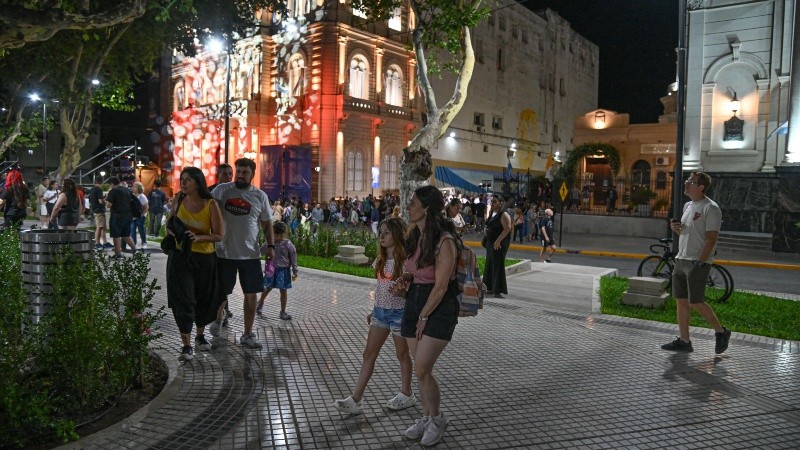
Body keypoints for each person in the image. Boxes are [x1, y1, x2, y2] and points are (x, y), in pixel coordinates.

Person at [390, 185, 460, 447]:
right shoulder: (416, 236)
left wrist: (423, 316)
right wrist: (405, 279)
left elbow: (441, 286)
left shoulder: (445, 241)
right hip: (415, 301)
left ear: (427, 208)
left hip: (438, 306)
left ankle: (438, 419)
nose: (408, 206)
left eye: (413, 203)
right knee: (422, 372)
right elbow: (415, 270)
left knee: (421, 368)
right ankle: (427, 417)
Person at [333, 217, 415, 415]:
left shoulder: (405, 262)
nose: (382, 236)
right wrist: (374, 309)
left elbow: (412, 292)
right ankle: (356, 399)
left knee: (402, 355)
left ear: (397, 234)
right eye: (381, 232)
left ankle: (407, 393)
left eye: (387, 233)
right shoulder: (380, 260)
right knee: (368, 354)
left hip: (399, 314)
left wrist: (404, 293)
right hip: (380, 313)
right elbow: (381, 288)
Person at [662, 172, 731, 354]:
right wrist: (676, 229)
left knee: (696, 301)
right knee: (681, 301)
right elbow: (688, 233)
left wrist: (701, 262)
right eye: (686, 181)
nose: (686, 184)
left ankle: (721, 332)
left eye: (691, 182)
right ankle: (685, 341)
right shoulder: (688, 205)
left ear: (701, 187)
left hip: (697, 262)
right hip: (681, 259)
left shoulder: (711, 208)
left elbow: (711, 238)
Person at [209, 158, 275, 349]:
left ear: (252, 174)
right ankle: (219, 317)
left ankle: (247, 333)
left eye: (245, 172)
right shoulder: (221, 191)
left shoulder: (260, 196)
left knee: (251, 293)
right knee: (221, 291)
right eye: (238, 171)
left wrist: (271, 245)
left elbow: (266, 223)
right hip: (224, 252)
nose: (240, 175)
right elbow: (207, 209)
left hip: (250, 255)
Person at [166, 167, 225, 361]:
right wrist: (176, 234)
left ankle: (200, 335)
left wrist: (197, 237)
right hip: (180, 258)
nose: (183, 183)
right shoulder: (179, 200)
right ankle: (186, 345)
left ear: (198, 182)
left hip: (204, 259)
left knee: (203, 298)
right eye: (182, 179)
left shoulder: (210, 204)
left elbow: (219, 235)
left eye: (188, 180)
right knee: (184, 299)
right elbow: (169, 226)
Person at [256, 221, 297, 320]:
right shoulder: (270, 243)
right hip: (272, 269)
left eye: (281, 235)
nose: (278, 237)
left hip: (283, 271)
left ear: (284, 234)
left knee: (283, 290)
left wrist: (295, 271)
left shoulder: (288, 244)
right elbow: (260, 252)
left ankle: (283, 312)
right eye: (276, 234)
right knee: (267, 288)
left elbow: (293, 257)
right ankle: (260, 303)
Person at [482, 194, 512, 298]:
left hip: (498, 243)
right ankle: (489, 287)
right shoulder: (493, 213)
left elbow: (507, 228)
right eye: (491, 201)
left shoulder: (503, 214)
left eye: (494, 201)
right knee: (490, 264)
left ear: (500, 203)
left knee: (497, 265)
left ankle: (498, 289)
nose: (492, 203)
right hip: (491, 243)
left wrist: (498, 240)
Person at [105, 177, 136, 260]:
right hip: (128, 215)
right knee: (126, 234)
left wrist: (105, 201)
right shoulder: (126, 190)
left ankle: (118, 254)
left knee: (116, 235)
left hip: (117, 215)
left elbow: (109, 205)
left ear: (112, 183)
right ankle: (134, 249)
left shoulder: (113, 191)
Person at [88, 181, 112, 249]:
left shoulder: (92, 189)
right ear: (102, 182)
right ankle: (97, 243)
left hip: (95, 209)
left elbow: (91, 199)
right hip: (99, 210)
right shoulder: (99, 189)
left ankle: (105, 242)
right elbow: (100, 201)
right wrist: (105, 202)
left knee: (103, 227)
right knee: (100, 227)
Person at [130, 182, 149, 249]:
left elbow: (146, 207)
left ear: (139, 188)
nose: (132, 188)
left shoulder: (142, 196)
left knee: (141, 229)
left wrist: (142, 215)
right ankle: (133, 243)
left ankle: (144, 242)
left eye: (134, 187)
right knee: (132, 230)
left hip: (140, 216)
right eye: (133, 187)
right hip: (133, 216)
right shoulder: (132, 196)